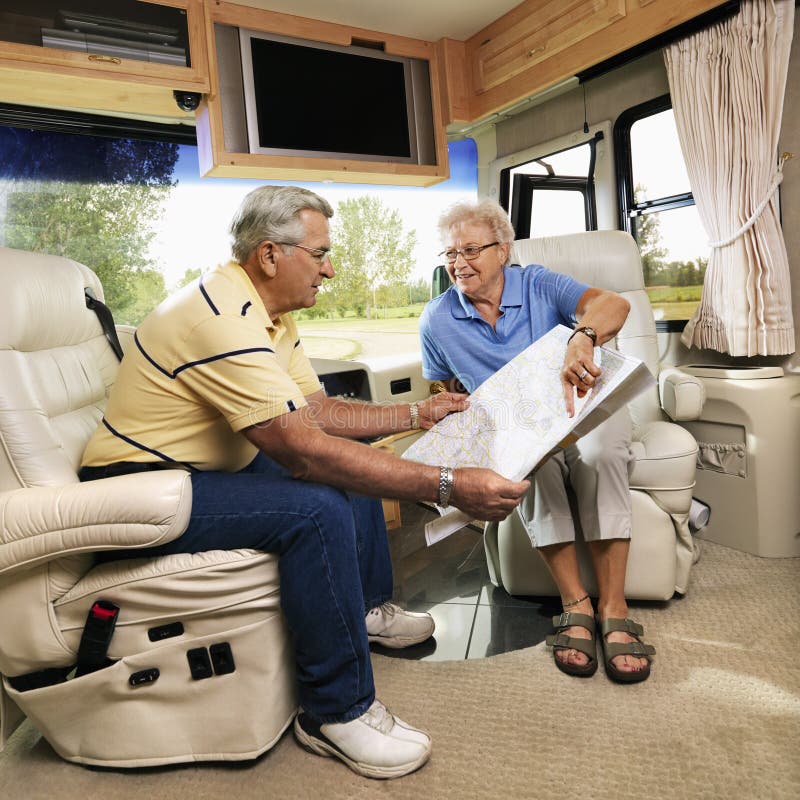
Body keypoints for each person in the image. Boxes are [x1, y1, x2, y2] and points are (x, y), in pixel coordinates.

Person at [79, 186, 529, 780]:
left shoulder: (271, 315)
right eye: (319, 255)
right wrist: (449, 484)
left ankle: (365, 611)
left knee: (345, 457)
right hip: (139, 487)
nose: (331, 268)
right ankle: (332, 711)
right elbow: (306, 454)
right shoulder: (218, 316)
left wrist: (416, 416)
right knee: (315, 504)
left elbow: (315, 413)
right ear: (270, 255)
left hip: (206, 467)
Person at [419, 199, 656, 684]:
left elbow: (615, 304)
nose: (458, 264)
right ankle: (577, 603)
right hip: (521, 427)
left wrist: (582, 336)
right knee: (533, 467)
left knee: (601, 451)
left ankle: (614, 606)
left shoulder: (539, 282)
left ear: (502, 250)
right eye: (449, 254)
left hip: (582, 407)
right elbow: (446, 388)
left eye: (470, 250)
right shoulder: (436, 319)